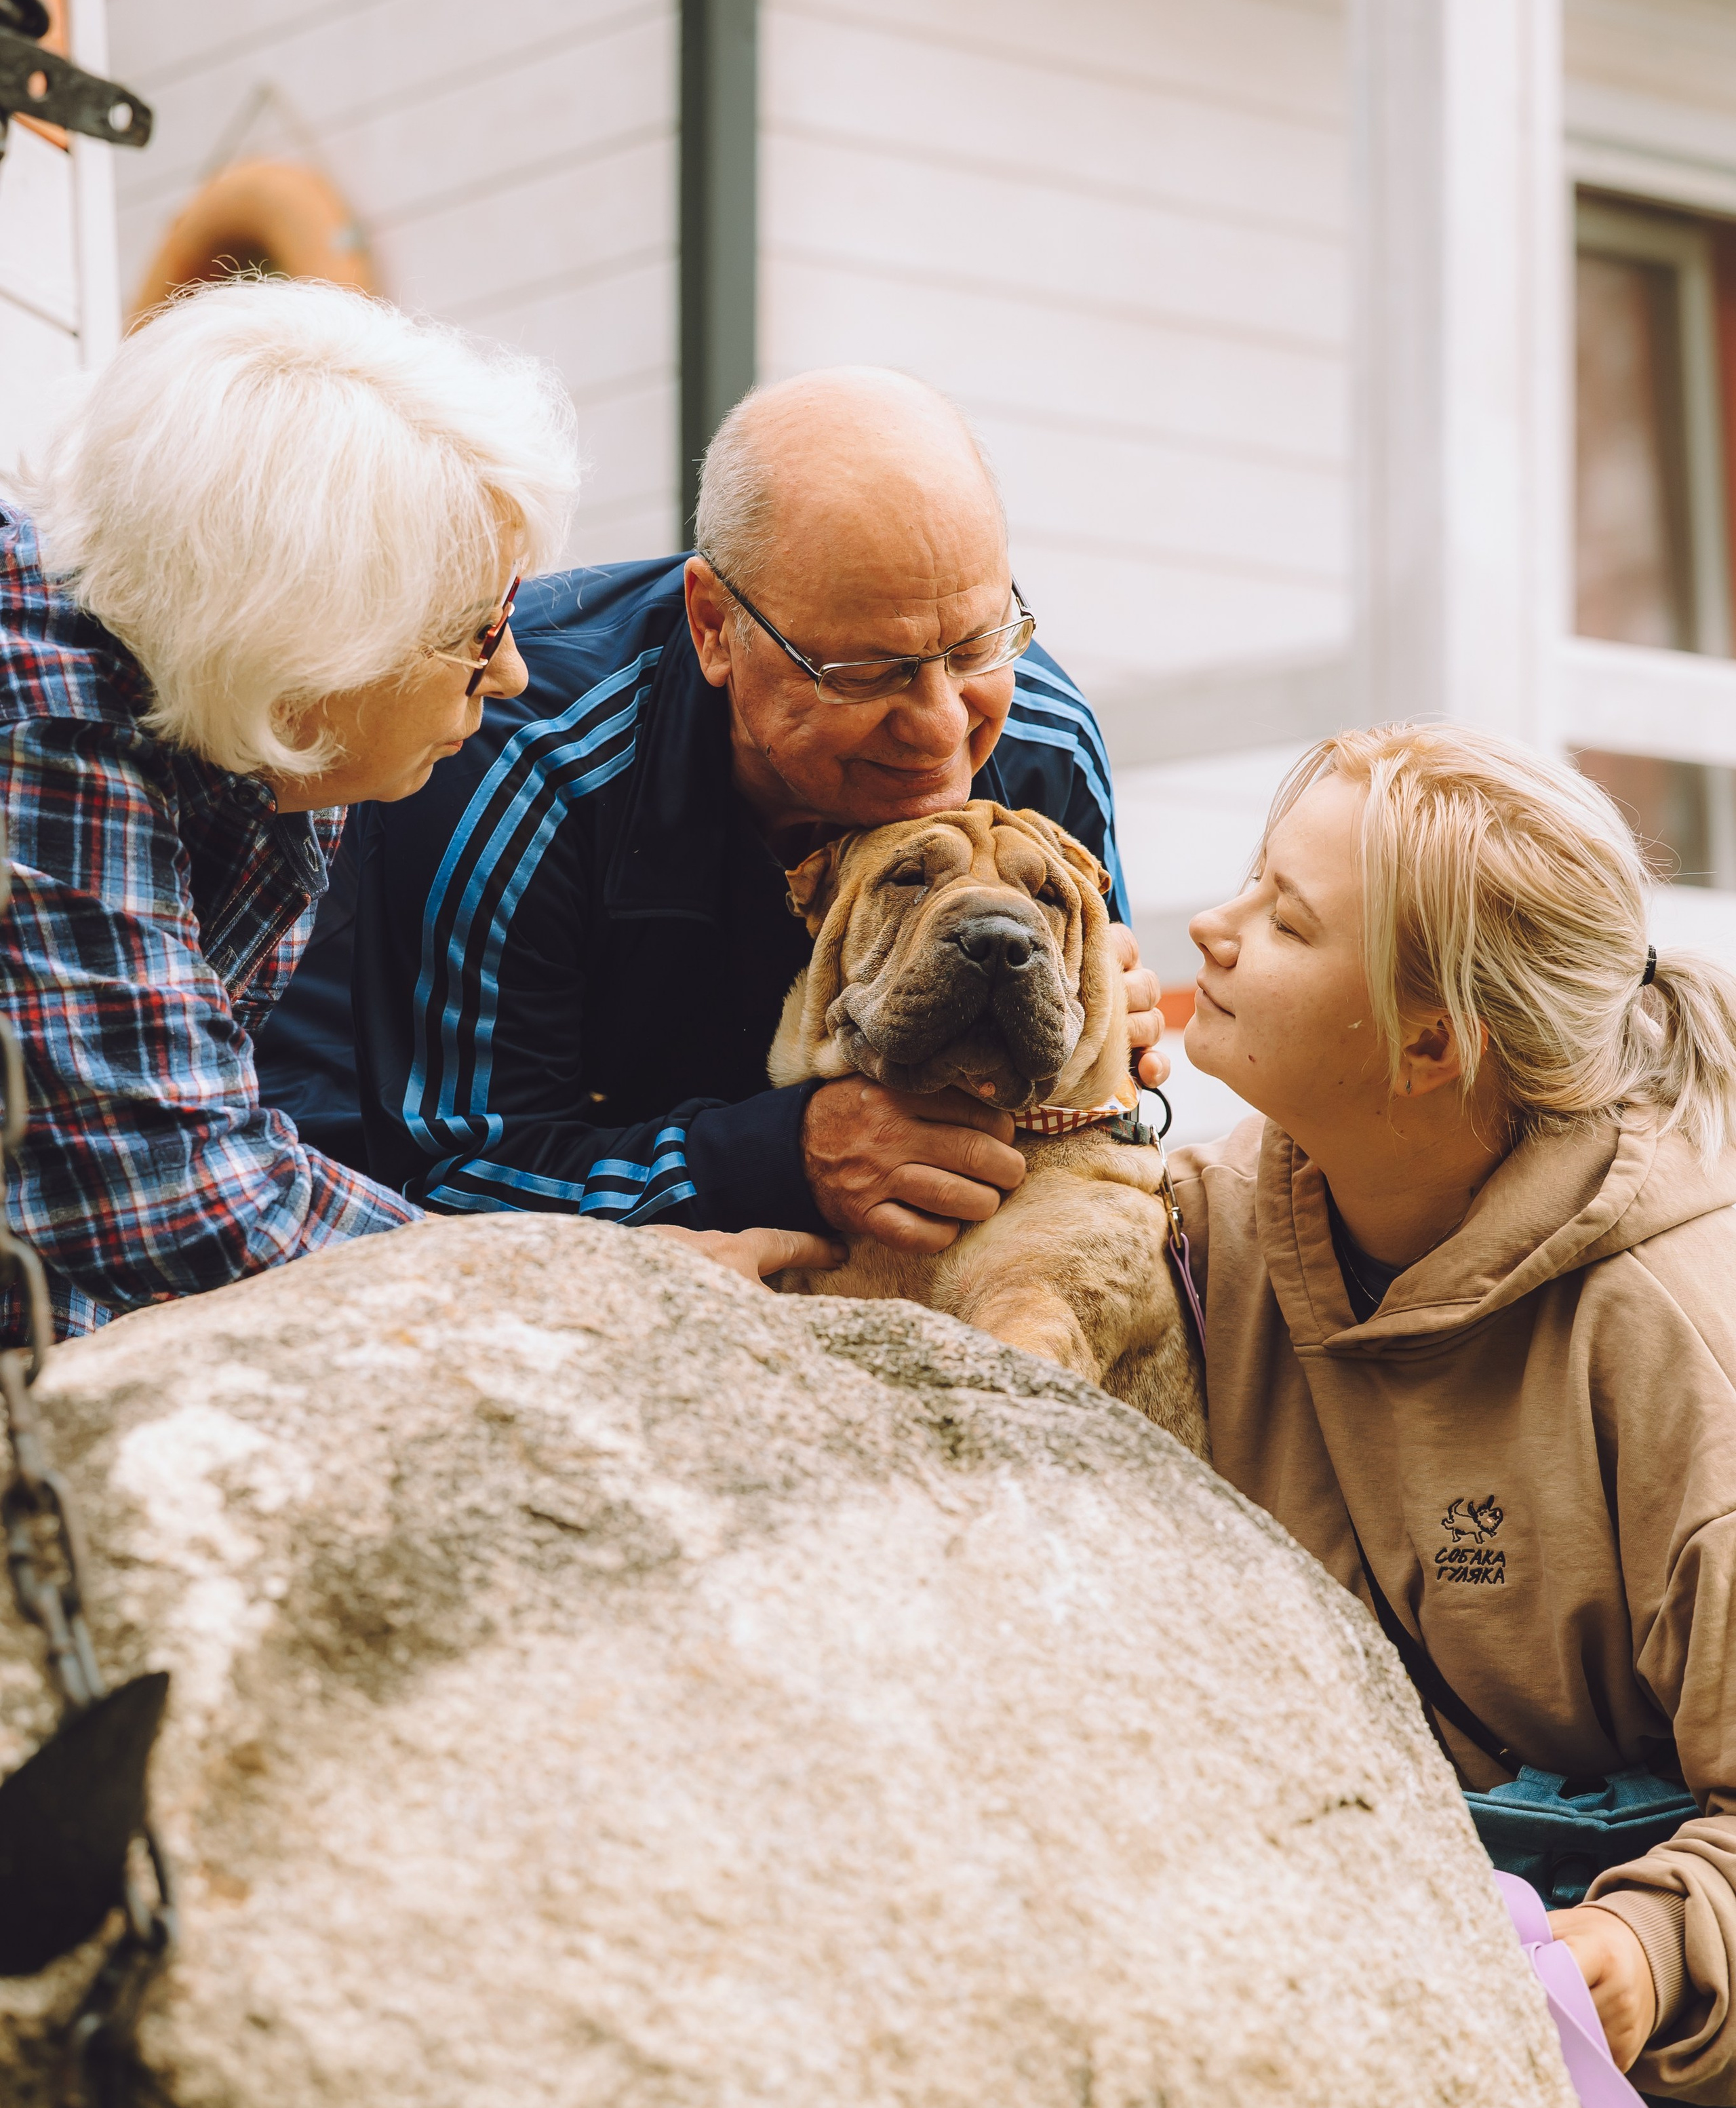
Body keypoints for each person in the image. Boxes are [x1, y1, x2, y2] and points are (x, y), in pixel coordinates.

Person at [0, 278, 835, 1342]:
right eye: (479, 632)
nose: (517, 675)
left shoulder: (267, 726)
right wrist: (605, 1290)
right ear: (311, 645)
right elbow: (195, 1206)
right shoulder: (45, 738)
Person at [1173, 720, 1736, 2108]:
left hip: (1659, 2071)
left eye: (1284, 920)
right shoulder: (1221, 1215)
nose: (1207, 931)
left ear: (1431, 1047)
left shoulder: (1679, 1336)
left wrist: (1637, 1958)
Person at [277, 368, 1163, 1254]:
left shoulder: (1042, 747)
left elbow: (1109, 1121)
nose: (942, 727)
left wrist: (1096, 1041)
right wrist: (785, 1157)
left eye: (976, 644)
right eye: (865, 672)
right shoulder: (515, 749)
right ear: (713, 625)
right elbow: (451, 1178)